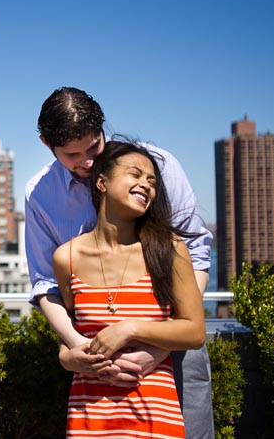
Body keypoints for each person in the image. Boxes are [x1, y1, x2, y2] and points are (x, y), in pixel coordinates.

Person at [25, 87, 214, 439]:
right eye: (72, 155)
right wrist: (78, 349)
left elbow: (197, 253)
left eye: (93, 148)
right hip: (93, 379)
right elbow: (45, 283)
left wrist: (158, 348)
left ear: (102, 129)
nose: (86, 161)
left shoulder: (154, 165)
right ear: (46, 144)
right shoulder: (39, 193)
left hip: (173, 351)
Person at [53, 140, 206, 436]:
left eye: (151, 181)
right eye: (135, 175)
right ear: (102, 182)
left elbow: (194, 330)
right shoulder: (66, 257)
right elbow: (72, 332)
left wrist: (129, 328)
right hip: (89, 419)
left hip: (154, 415)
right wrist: (67, 358)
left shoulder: (169, 249)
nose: (145, 185)